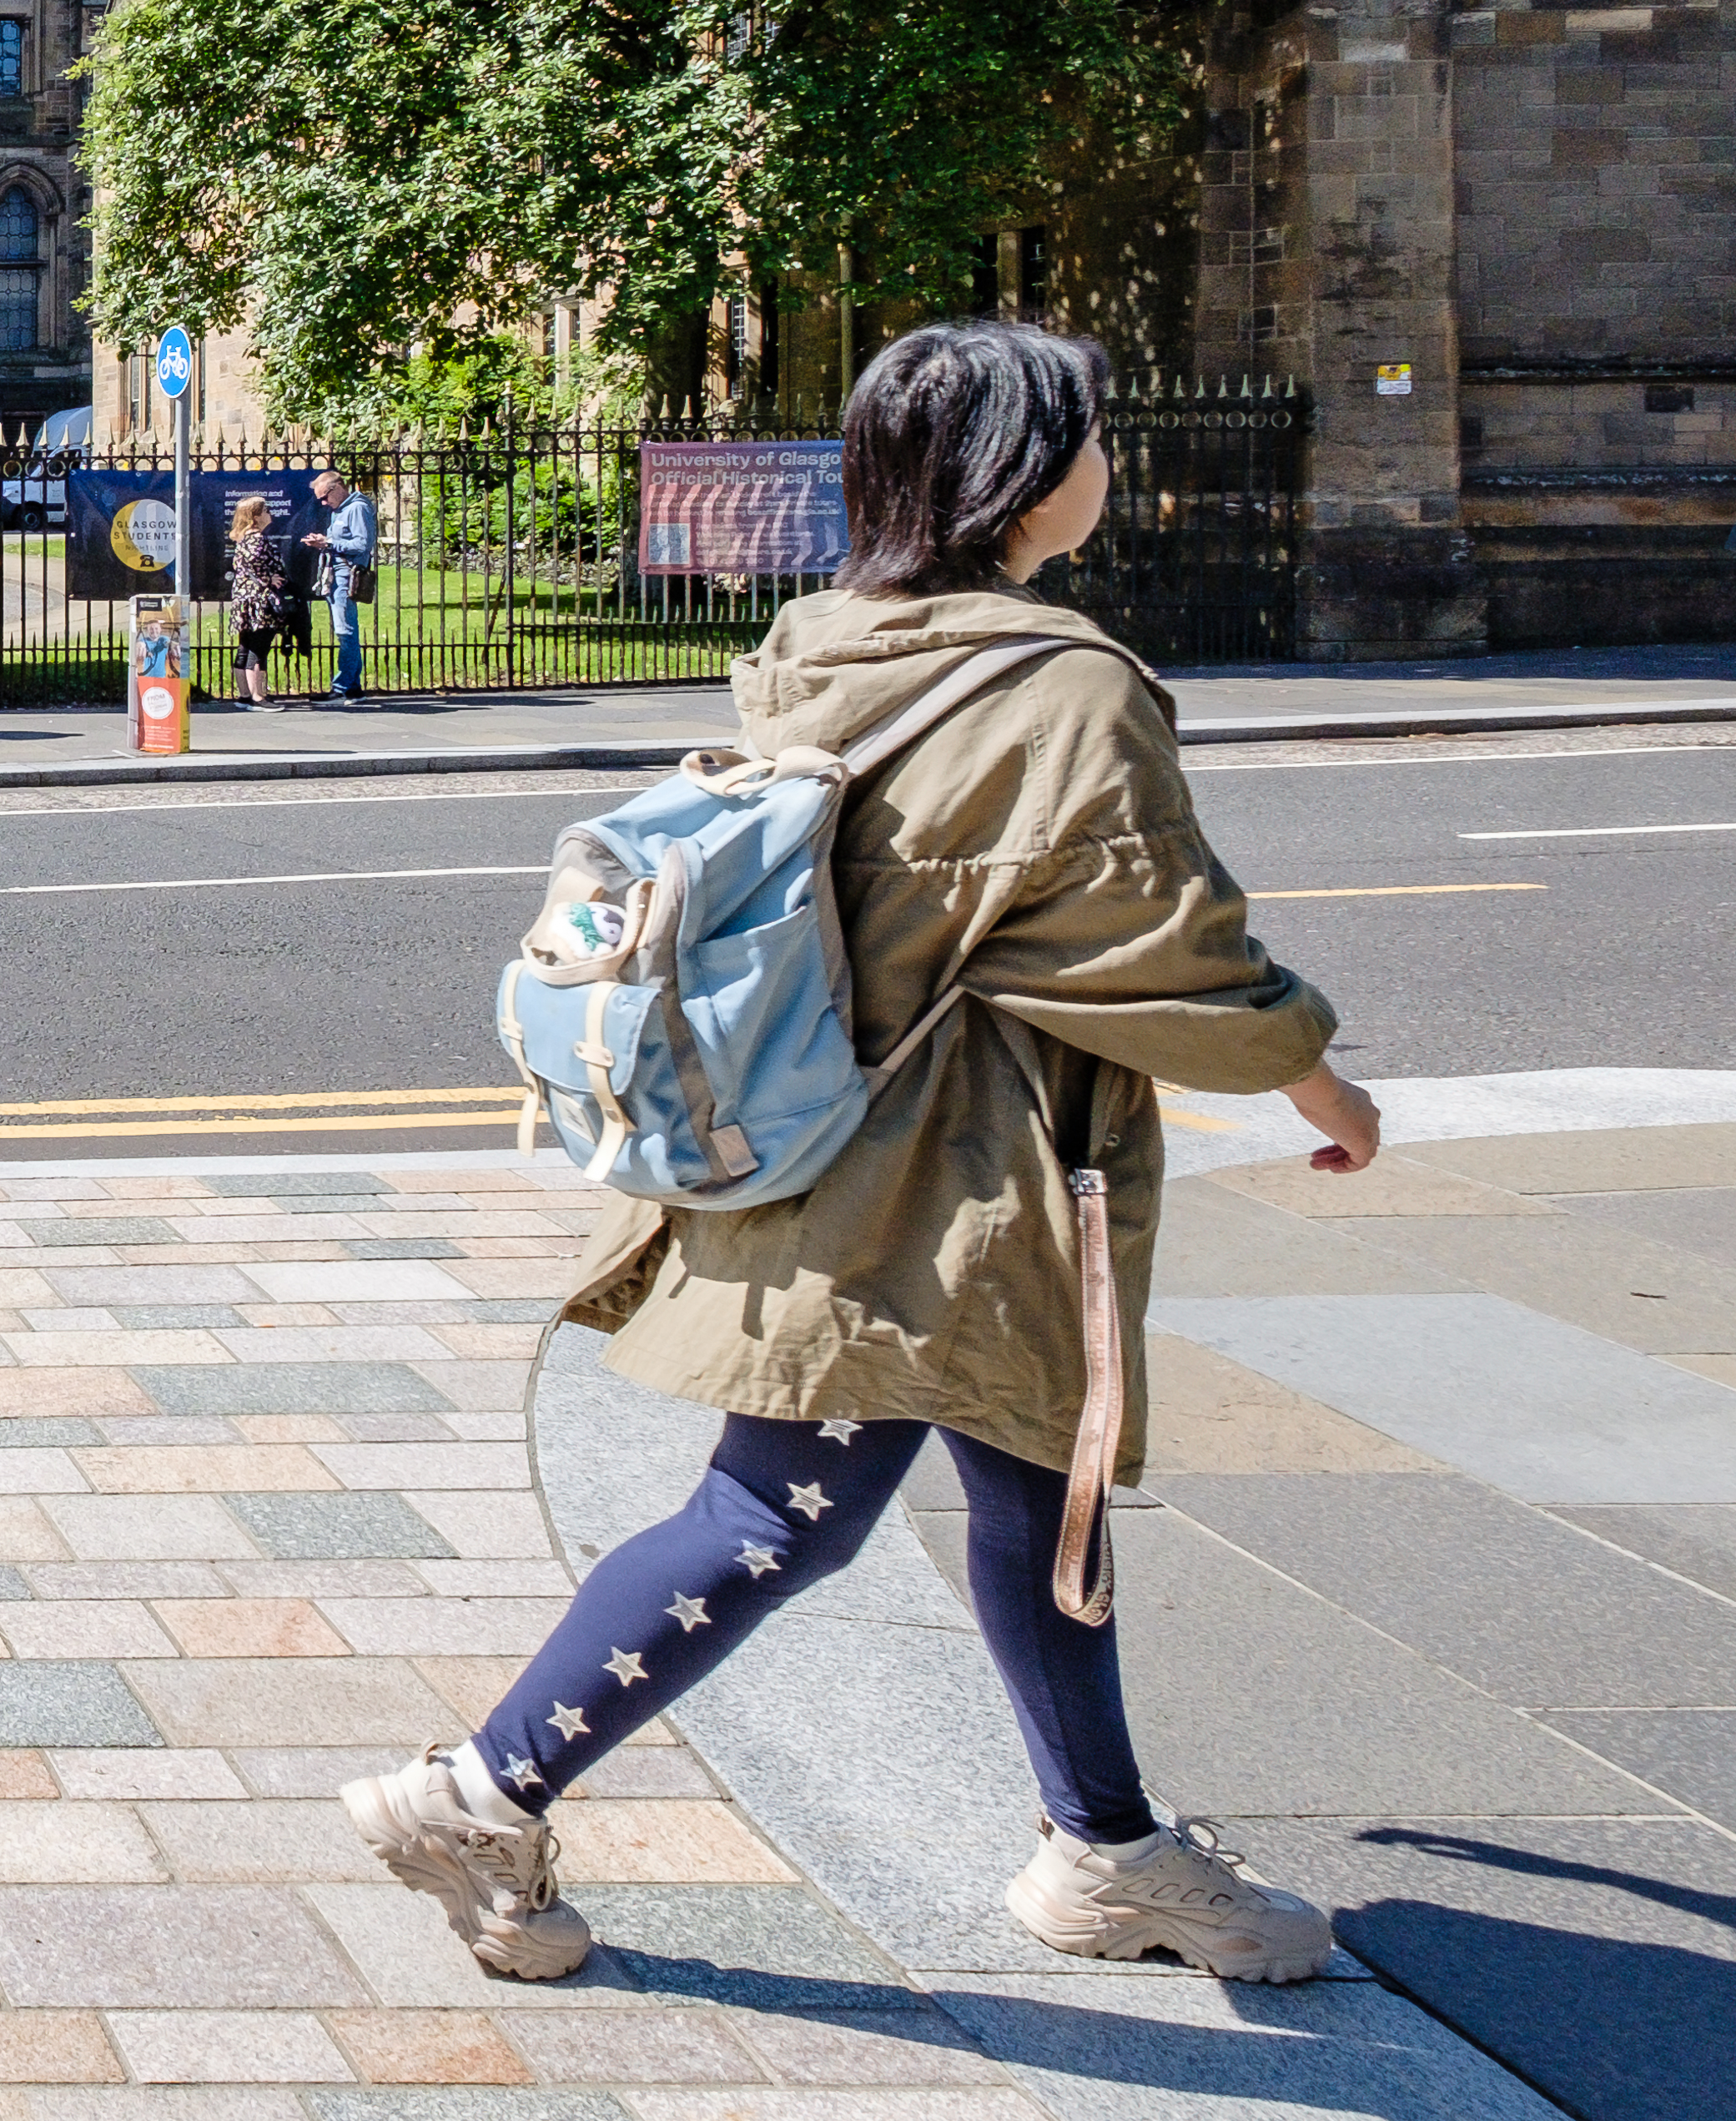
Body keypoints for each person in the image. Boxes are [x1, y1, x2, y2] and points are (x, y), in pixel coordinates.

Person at [344, 317, 1379, 1991]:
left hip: (855, 1139)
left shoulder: (831, 639)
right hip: (939, 1187)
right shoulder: (1062, 685)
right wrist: (1323, 1084)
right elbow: (1166, 946)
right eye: (1091, 432)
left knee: (1040, 1494)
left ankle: (1106, 1847)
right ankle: (483, 1786)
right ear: (1027, 475)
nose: (1109, 459)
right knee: (784, 1511)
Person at [222, 491, 298, 708]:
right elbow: (255, 561)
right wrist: (268, 578)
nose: (269, 513)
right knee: (259, 648)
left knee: (246, 646)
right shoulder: (256, 538)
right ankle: (258, 697)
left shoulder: (243, 538)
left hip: (244, 600)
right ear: (255, 516)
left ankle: (245, 696)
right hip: (259, 601)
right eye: (265, 510)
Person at [313, 469, 379, 703]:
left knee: (345, 631)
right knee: (346, 630)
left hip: (346, 574)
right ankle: (352, 687)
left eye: (324, 497)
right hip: (336, 572)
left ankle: (342, 687)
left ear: (337, 488)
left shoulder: (357, 508)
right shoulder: (341, 509)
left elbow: (362, 543)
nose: (323, 503)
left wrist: (328, 541)